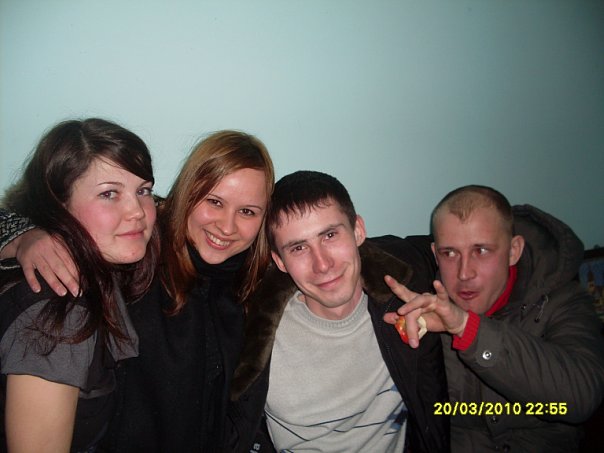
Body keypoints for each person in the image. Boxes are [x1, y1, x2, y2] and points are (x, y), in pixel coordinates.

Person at [0, 130, 275, 451]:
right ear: (187, 193)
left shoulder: (256, 283)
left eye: (247, 211)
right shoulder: (136, 253)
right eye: (214, 202)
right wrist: (23, 235)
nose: (227, 227)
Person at [228, 170, 449, 452]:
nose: (322, 264)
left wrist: (461, 325)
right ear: (280, 261)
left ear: (358, 231)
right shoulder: (252, 334)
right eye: (298, 248)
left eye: (330, 235)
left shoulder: (407, 293)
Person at [384, 185, 604, 452]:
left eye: (481, 250)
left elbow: (581, 396)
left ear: (514, 251)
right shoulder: (424, 305)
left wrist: (466, 328)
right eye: (449, 253)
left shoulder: (562, 299)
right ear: (435, 254)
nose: (464, 273)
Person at [0, 118, 160, 452]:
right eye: (109, 193)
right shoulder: (60, 312)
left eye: (143, 190)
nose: (137, 211)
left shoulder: (100, 271)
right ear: (58, 204)